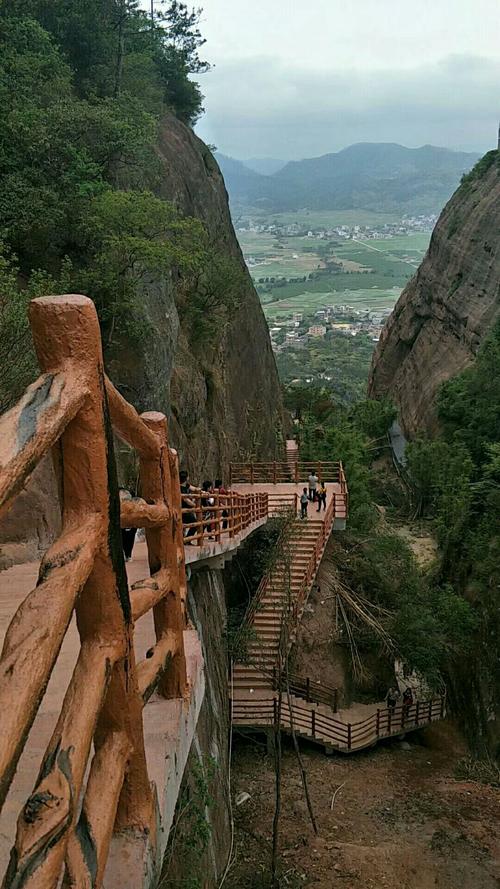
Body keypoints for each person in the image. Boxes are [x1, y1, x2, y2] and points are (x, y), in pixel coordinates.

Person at [180, 470, 201, 543]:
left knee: (188, 525)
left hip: (187, 510)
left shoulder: (186, 485)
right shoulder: (179, 488)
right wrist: (195, 505)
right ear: (187, 478)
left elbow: (194, 488)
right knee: (195, 524)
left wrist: (202, 491)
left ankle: (186, 539)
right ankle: (187, 539)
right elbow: (186, 500)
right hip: (183, 510)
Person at [119, 488, 136, 562]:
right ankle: (125, 554)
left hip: (130, 521)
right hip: (121, 520)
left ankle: (128, 554)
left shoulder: (133, 507)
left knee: (130, 537)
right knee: (122, 537)